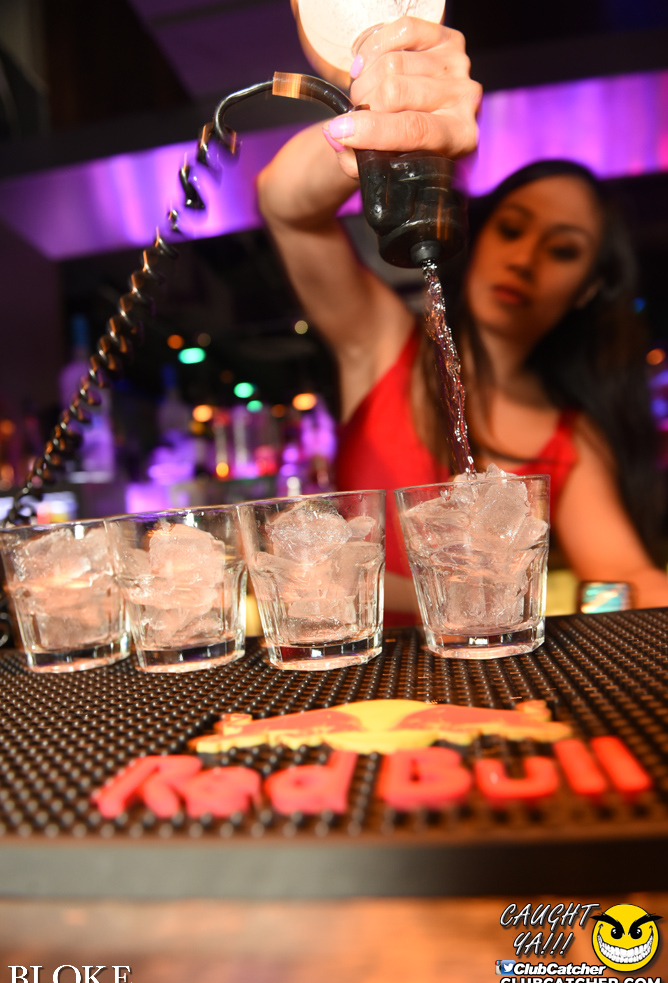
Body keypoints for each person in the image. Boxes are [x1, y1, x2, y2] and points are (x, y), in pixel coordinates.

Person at [256, 17, 668, 617]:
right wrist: (378, 125)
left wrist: (614, 603)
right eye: (512, 229)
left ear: (587, 290)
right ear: (480, 236)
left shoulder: (569, 438)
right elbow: (286, 206)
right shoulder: (383, 345)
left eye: (562, 251)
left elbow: (623, 579)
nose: (524, 260)